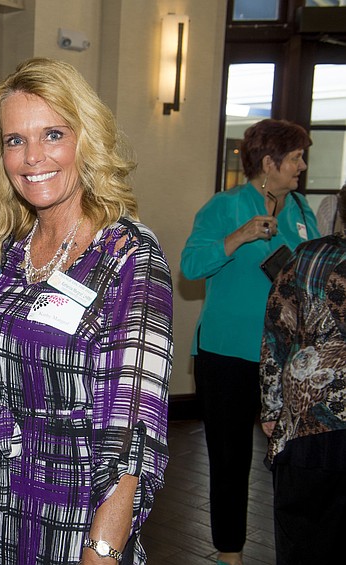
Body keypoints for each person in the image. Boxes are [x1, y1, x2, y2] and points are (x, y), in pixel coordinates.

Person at [0, 58, 173, 565]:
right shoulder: (17, 247)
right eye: (15, 140)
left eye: (52, 134)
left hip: (74, 530)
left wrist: (101, 552)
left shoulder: (128, 256)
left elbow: (133, 438)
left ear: (86, 139)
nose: (32, 157)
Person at [180, 118, 318, 565]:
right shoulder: (224, 206)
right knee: (229, 457)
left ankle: (294, 548)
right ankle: (230, 552)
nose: (301, 166)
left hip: (289, 356)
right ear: (268, 162)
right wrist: (238, 238)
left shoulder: (301, 210)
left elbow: (317, 273)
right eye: (295, 157)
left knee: (293, 457)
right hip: (227, 354)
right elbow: (191, 267)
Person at [260, 184, 346, 565]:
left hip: (308, 418)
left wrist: (270, 406)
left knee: (302, 534)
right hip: (317, 417)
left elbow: (277, 332)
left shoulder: (311, 255)